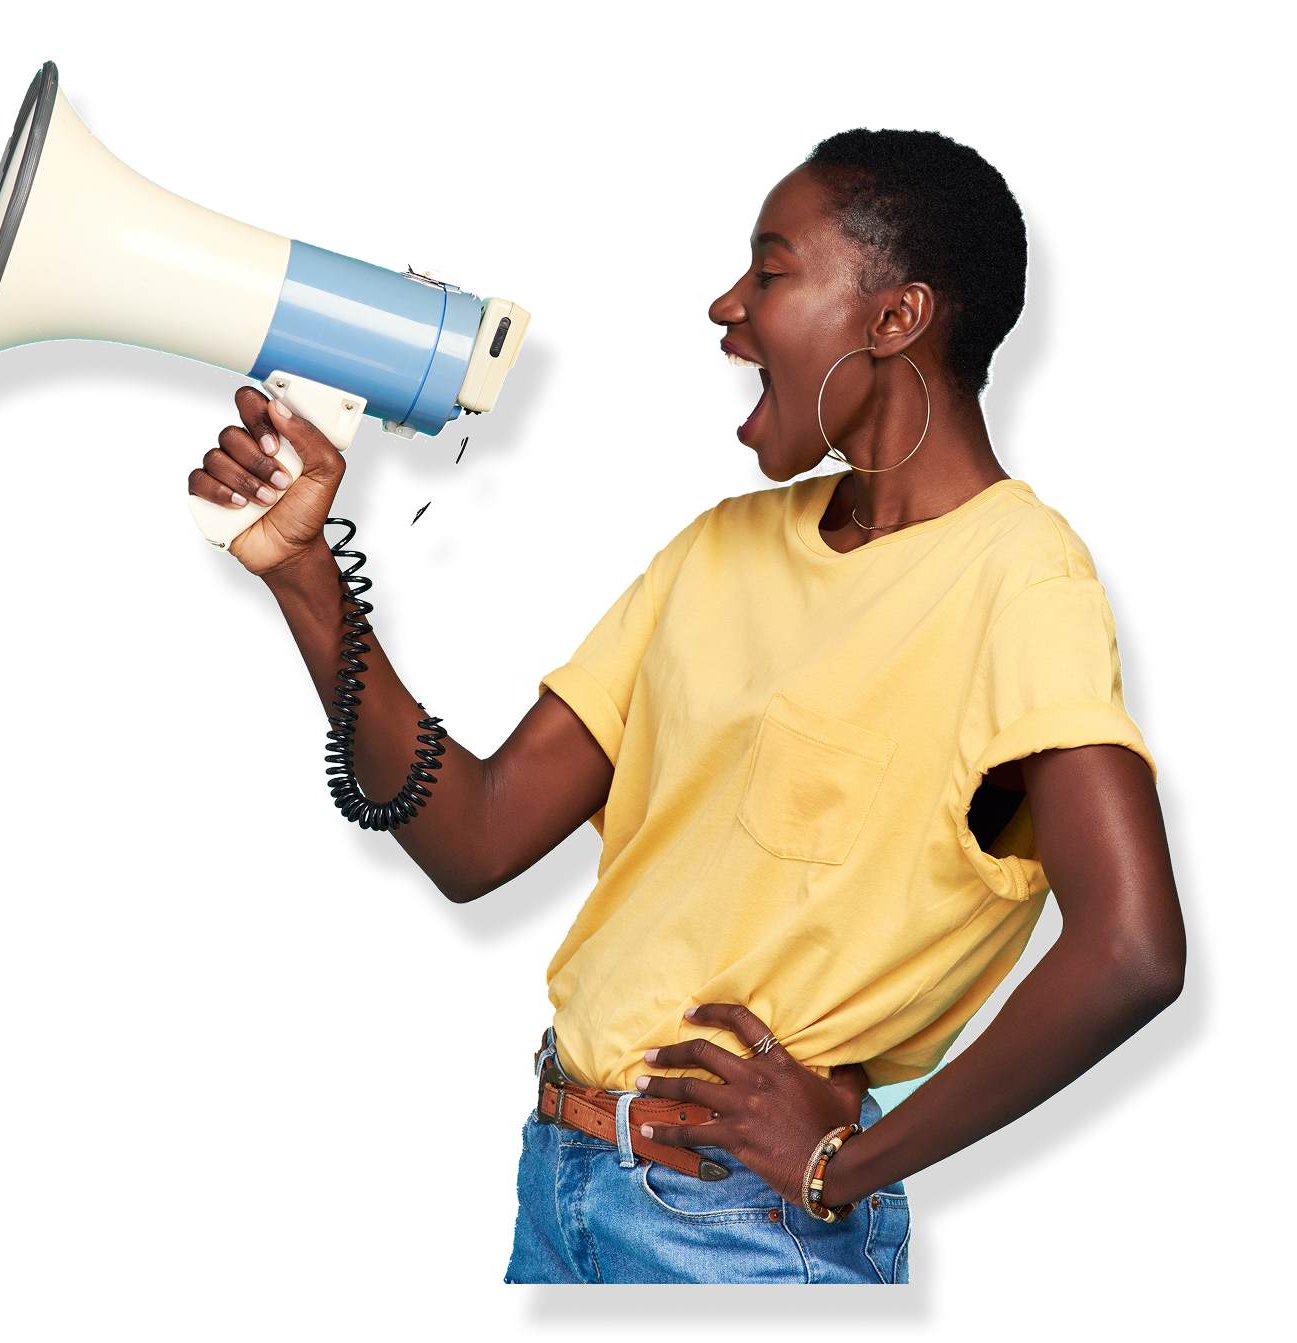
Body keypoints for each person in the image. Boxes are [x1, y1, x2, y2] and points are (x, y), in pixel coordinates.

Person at [186, 127, 1186, 1284]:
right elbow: (474, 837)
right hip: (559, 1181)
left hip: (741, 1229)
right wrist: (307, 578)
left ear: (894, 317)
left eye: (771, 268)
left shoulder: (1022, 576)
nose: (724, 302)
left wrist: (844, 1165)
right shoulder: (719, 547)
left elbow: (1130, 950)